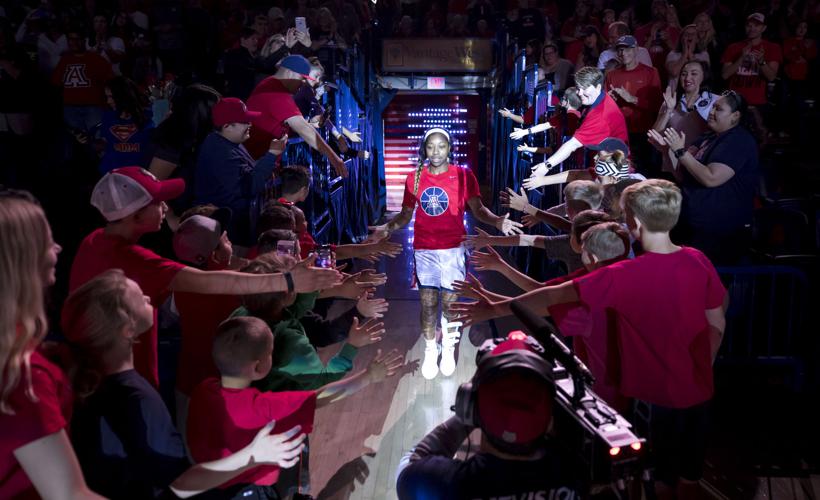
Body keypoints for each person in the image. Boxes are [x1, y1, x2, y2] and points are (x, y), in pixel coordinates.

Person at [451, 179, 728, 499]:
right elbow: (718, 319)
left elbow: (553, 296)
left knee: (655, 480)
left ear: (635, 223)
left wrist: (492, 309)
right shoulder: (698, 259)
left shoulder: (623, 274)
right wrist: (703, 366)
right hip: (699, 393)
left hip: (654, 397)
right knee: (689, 478)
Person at [69, 167, 340, 388]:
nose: (165, 207)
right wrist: (288, 281)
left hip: (101, 377)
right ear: (136, 215)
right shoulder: (133, 259)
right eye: (158, 202)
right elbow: (210, 281)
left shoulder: (92, 242)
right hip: (125, 384)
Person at [62, 270, 308, 499]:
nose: (148, 297)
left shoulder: (89, 383)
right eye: (140, 298)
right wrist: (253, 455)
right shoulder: (136, 398)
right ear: (127, 330)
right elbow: (180, 484)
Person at [187, 316, 404, 498]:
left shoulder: (202, 389)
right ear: (259, 366)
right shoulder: (263, 408)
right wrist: (368, 376)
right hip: (256, 491)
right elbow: (321, 397)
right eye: (271, 353)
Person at [368, 127, 522, 380]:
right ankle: (431, 348)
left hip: (453, 249)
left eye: (441, 146)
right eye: (431, 146)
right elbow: (406, 215)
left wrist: (496, 222)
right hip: (425, 249)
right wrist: (388, 227)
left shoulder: (463, 176)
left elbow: (479, 209)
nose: (436, 151)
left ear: (450, 148)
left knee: (450, 305)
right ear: (424, 149)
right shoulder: (414, 178)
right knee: (428, 304)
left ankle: (448, 345)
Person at [0, 190, 103, 499]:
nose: (57, 248)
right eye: (47, 241)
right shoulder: (23, 374)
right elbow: (68, 493)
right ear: (24, 259)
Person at [396, 333, 584, 499]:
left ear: (469, 409)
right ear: (550, 420)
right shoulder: (582, 477)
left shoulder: (446, 485)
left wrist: (465, 416)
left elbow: (408, 466)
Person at [648, 91, 760, 264]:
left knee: (710, 286)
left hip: (719, 232)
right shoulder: (707, 137)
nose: (712, 112)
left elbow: (711, 178)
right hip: (693, 224)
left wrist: (680, 151)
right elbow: (682, 174)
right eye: (712, 107)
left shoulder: (738, 141)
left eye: (719, 109)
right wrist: (666, 150)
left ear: (735, 116)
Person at [194, 97, 286, 247]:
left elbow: (248, 172)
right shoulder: (219, 150)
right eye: (244, 121)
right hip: (229, 235)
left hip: (237, 227)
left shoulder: (229, 143)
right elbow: (247, 187)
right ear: (227, 126)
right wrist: (271, 155)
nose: (250, 124)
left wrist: (271, 157)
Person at [245, 55, 348, 178]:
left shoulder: (269, 85)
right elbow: (303, 129)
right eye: (302, 78)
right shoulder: (276, 92)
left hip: (258, 163)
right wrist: (334, 158)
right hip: (255, 165)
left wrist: (310, 124)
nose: (303, 83)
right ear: (289, 72)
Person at [521, 67, 628, 185]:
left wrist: (546, 166)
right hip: (606, 169)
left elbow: (572, 145)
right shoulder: (598, 100)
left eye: (584, 88)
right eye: (578, 88)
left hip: (612, 176)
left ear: (598, 87)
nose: (579, 93)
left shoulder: (601, 114)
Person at [604, 35, 662, 175]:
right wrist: (609, 101)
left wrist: (633, 99)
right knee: (621, 174)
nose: (623, 53)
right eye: (620, 50)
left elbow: (658, 106)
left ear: (636, 49)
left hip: (644, 133)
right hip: (620, 133)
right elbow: (605, 107)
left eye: (627, 49)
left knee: (645, 174)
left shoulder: (650, 72)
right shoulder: (612, 74)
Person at [720, 13, 782, 138]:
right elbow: (725, 75)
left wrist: (761, 62)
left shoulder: (772, 48)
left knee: (758, 138)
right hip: (735, 102)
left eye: (756, 25)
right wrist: (741, 58)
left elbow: (771, 77)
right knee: (732, 138)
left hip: (758, 102)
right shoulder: (734, 47)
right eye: (749, 25)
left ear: (763, 28)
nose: (752, 28)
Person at [652, 60, 719, 175]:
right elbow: (655, 136)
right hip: (673, 164)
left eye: (694, 73)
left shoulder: (715, 101)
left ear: (704, 76)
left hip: (701, 162)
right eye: (684, 74)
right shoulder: (671, 100)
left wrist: (695, 111)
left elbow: (720, 132)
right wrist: (668, 110)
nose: (687, 78)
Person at [99, 75, 154, 173]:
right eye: (107, 97)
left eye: (112, 97)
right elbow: (104, 144)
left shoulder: (148, 117)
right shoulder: (108, 116)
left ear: (123, 96)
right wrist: (89, 141)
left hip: (138, 173)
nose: (108, 101)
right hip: (112, 172)